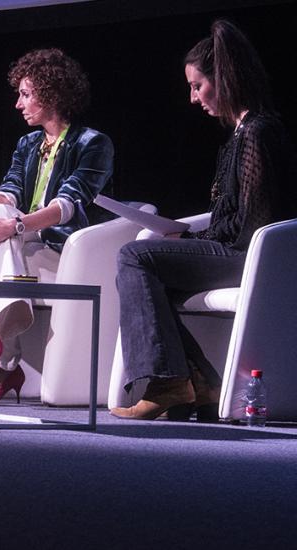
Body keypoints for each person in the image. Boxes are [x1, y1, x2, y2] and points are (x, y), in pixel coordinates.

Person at [110, 20, 297, 421]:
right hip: (235, 248)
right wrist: (188, 235)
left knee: (134, 257)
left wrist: (199, 240)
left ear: (224, 80)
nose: (193, 98)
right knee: (148, 276)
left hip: (251, 256)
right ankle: (201, 383)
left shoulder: (259, 133)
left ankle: (168, 383)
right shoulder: (240, 134)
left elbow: (254, 223)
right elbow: (233, 216)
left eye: (198, 86)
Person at [0, 49, 114, 404]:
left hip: (67, 244)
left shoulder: (92, 143)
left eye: (25, 94)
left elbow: (68, 205)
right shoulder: (29, 143)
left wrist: (12, 226)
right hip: (22, 240)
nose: (18, 104)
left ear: (51, 94)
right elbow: (10, 188)